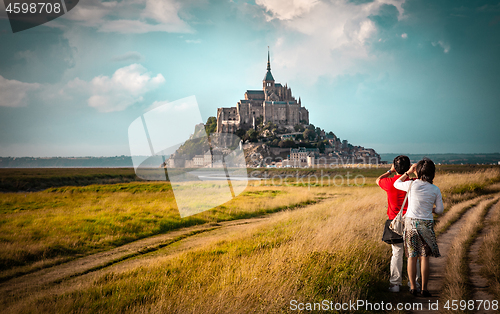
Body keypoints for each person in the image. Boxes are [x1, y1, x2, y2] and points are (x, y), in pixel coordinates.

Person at [394, 158, 444, 297]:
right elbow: (440, 210)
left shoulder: (411, 185)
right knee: (424, 257)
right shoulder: (435, 189)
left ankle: (412, 287)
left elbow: (396, 183)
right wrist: (430, 209)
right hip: (426, 224)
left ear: (418, 171)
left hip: (410, 224)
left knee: (411, 257)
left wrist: (408, 172)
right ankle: (424, 289)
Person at [376, 155, 420, 293]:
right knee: (413, 254)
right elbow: (422, 181)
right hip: (412, 221)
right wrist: (414, 171)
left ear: (395, 168)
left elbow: (378, 180)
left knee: (397, 253)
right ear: (409, 167)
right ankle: (415, 283)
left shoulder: (389, 182)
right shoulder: (414, 183)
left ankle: (395, 284)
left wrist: (390, 171)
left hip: (395, 222)